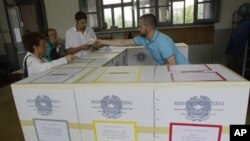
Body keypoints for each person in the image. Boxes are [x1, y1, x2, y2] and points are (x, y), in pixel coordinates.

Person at [97, 14, 189, 65]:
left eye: (140, 27)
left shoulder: (162, 41)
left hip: (183, 71)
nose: (138, 29)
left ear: (148, 27)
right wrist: (102, 41)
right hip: (171, 69)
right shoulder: (143, 39)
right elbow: (123, 42)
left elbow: (172, 66)